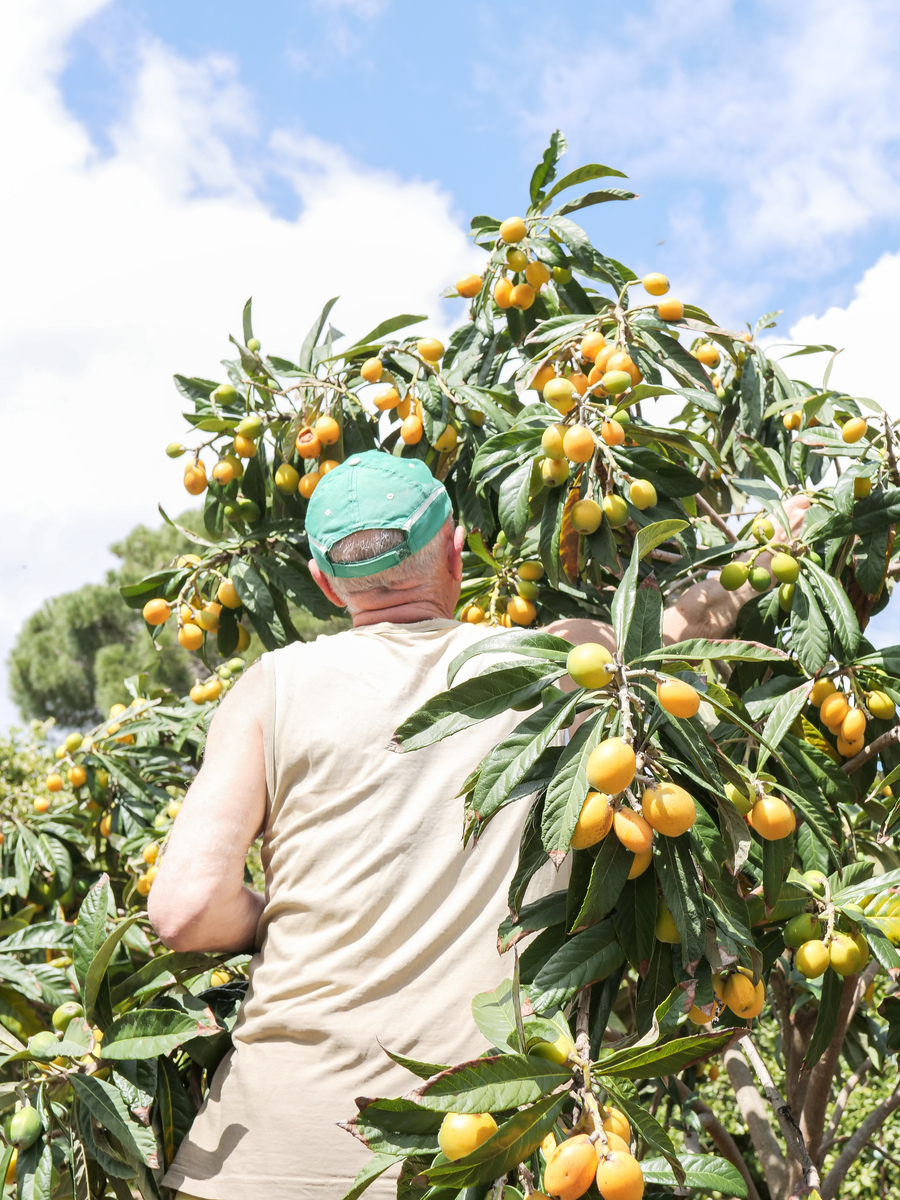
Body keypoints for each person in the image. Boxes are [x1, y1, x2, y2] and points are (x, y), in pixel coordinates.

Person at [150, 451, 808, 1200]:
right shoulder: (557, 659)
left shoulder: (269, 688)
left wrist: (279, 918)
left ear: (327, 584)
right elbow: (687, 626)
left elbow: (185, 909)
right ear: (455, 555)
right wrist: (773, 547)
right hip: (470, 1145)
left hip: (260, 1148)